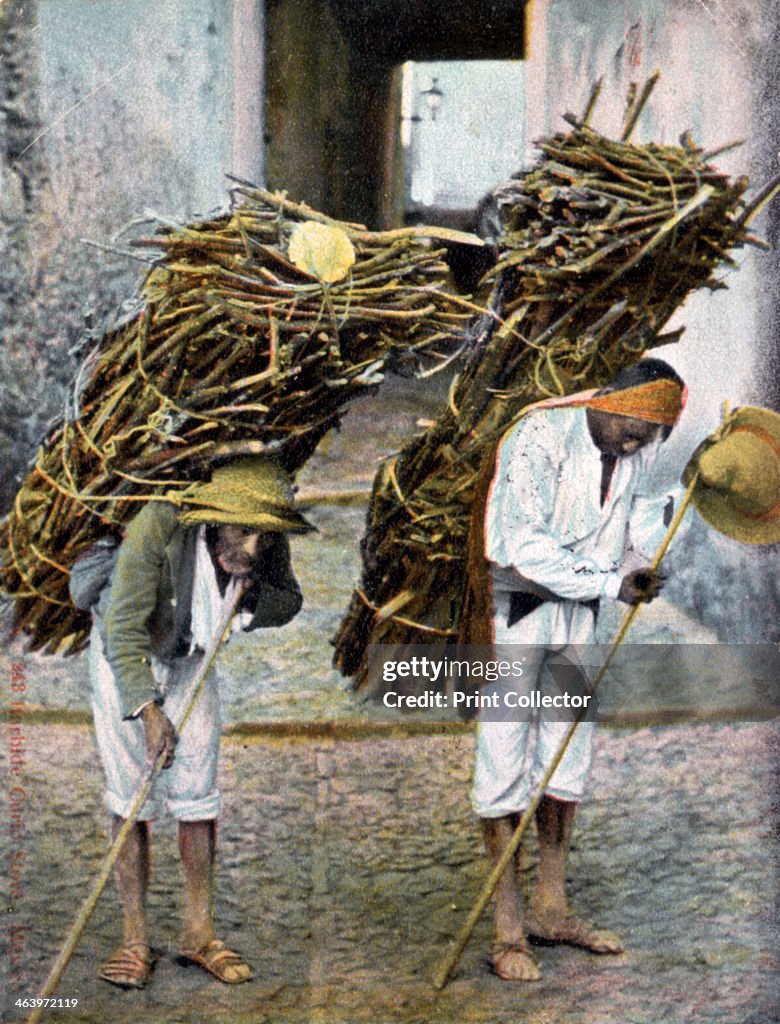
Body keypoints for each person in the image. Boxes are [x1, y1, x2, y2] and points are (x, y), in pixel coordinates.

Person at [469, 357, 687, 982]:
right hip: (518, 615)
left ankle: (550, 906)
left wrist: (640, 564)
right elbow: (517, 544)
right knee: (505, 758)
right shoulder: (536, 436)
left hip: (577, 622)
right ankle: (507, 928)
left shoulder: (634, 452)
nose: (639, 445)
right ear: (608, 398)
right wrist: (607, 580)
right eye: (634, 429)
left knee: (565, 753)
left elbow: (631, 529)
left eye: (650, 437)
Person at [70, 456, 313, 990]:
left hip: (191, 660)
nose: (251, 547)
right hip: (126, 660)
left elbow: (289, 599)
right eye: (241, 531)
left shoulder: (266, 536)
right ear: (213, 515)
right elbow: (123, 628)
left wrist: (252, 599)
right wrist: (148, 711)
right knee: (130, 793)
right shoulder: (159, 525)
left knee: (197, 791)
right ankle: (135, 939)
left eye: (262, 537)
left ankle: (198, 931)